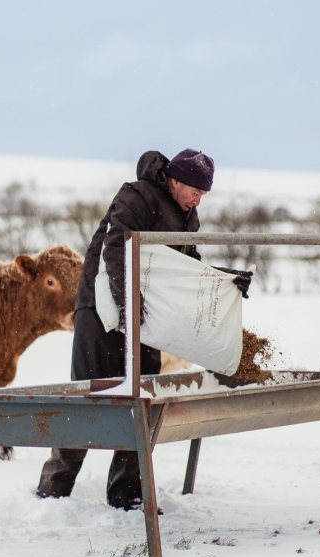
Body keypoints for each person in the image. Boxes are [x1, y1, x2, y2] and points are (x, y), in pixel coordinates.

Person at [36, 148, 252, 510]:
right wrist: (127, 303)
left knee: (141, 398)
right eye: (195, 191)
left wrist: (225, 281)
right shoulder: (136, 197)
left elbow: (187, 266)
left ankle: (126, 493)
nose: (199, 199)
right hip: (101, 309)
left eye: (204, 194)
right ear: (175, 180)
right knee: (87, 396)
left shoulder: (188, 217)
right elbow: (116, 249)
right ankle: (53, 492)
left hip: (144, 318)